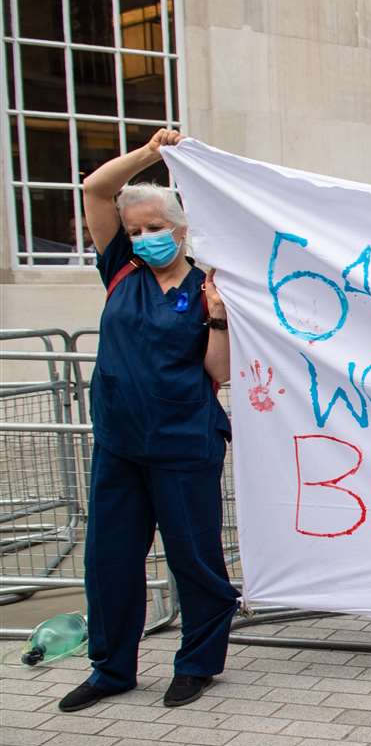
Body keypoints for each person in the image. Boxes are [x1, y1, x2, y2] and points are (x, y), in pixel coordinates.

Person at [57, 130, 237, 713]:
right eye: (135, 230)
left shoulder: (207, 283)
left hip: (185, 443)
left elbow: (221, 372)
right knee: (108, 559)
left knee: (194, 558)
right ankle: (111, 669)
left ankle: (198, 664)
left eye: (154, 228)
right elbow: (94, 187)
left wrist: (216, 320)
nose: (143, 238)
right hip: (119, 444)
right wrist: (151, 154)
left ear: (181, 229)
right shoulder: (121, 270)